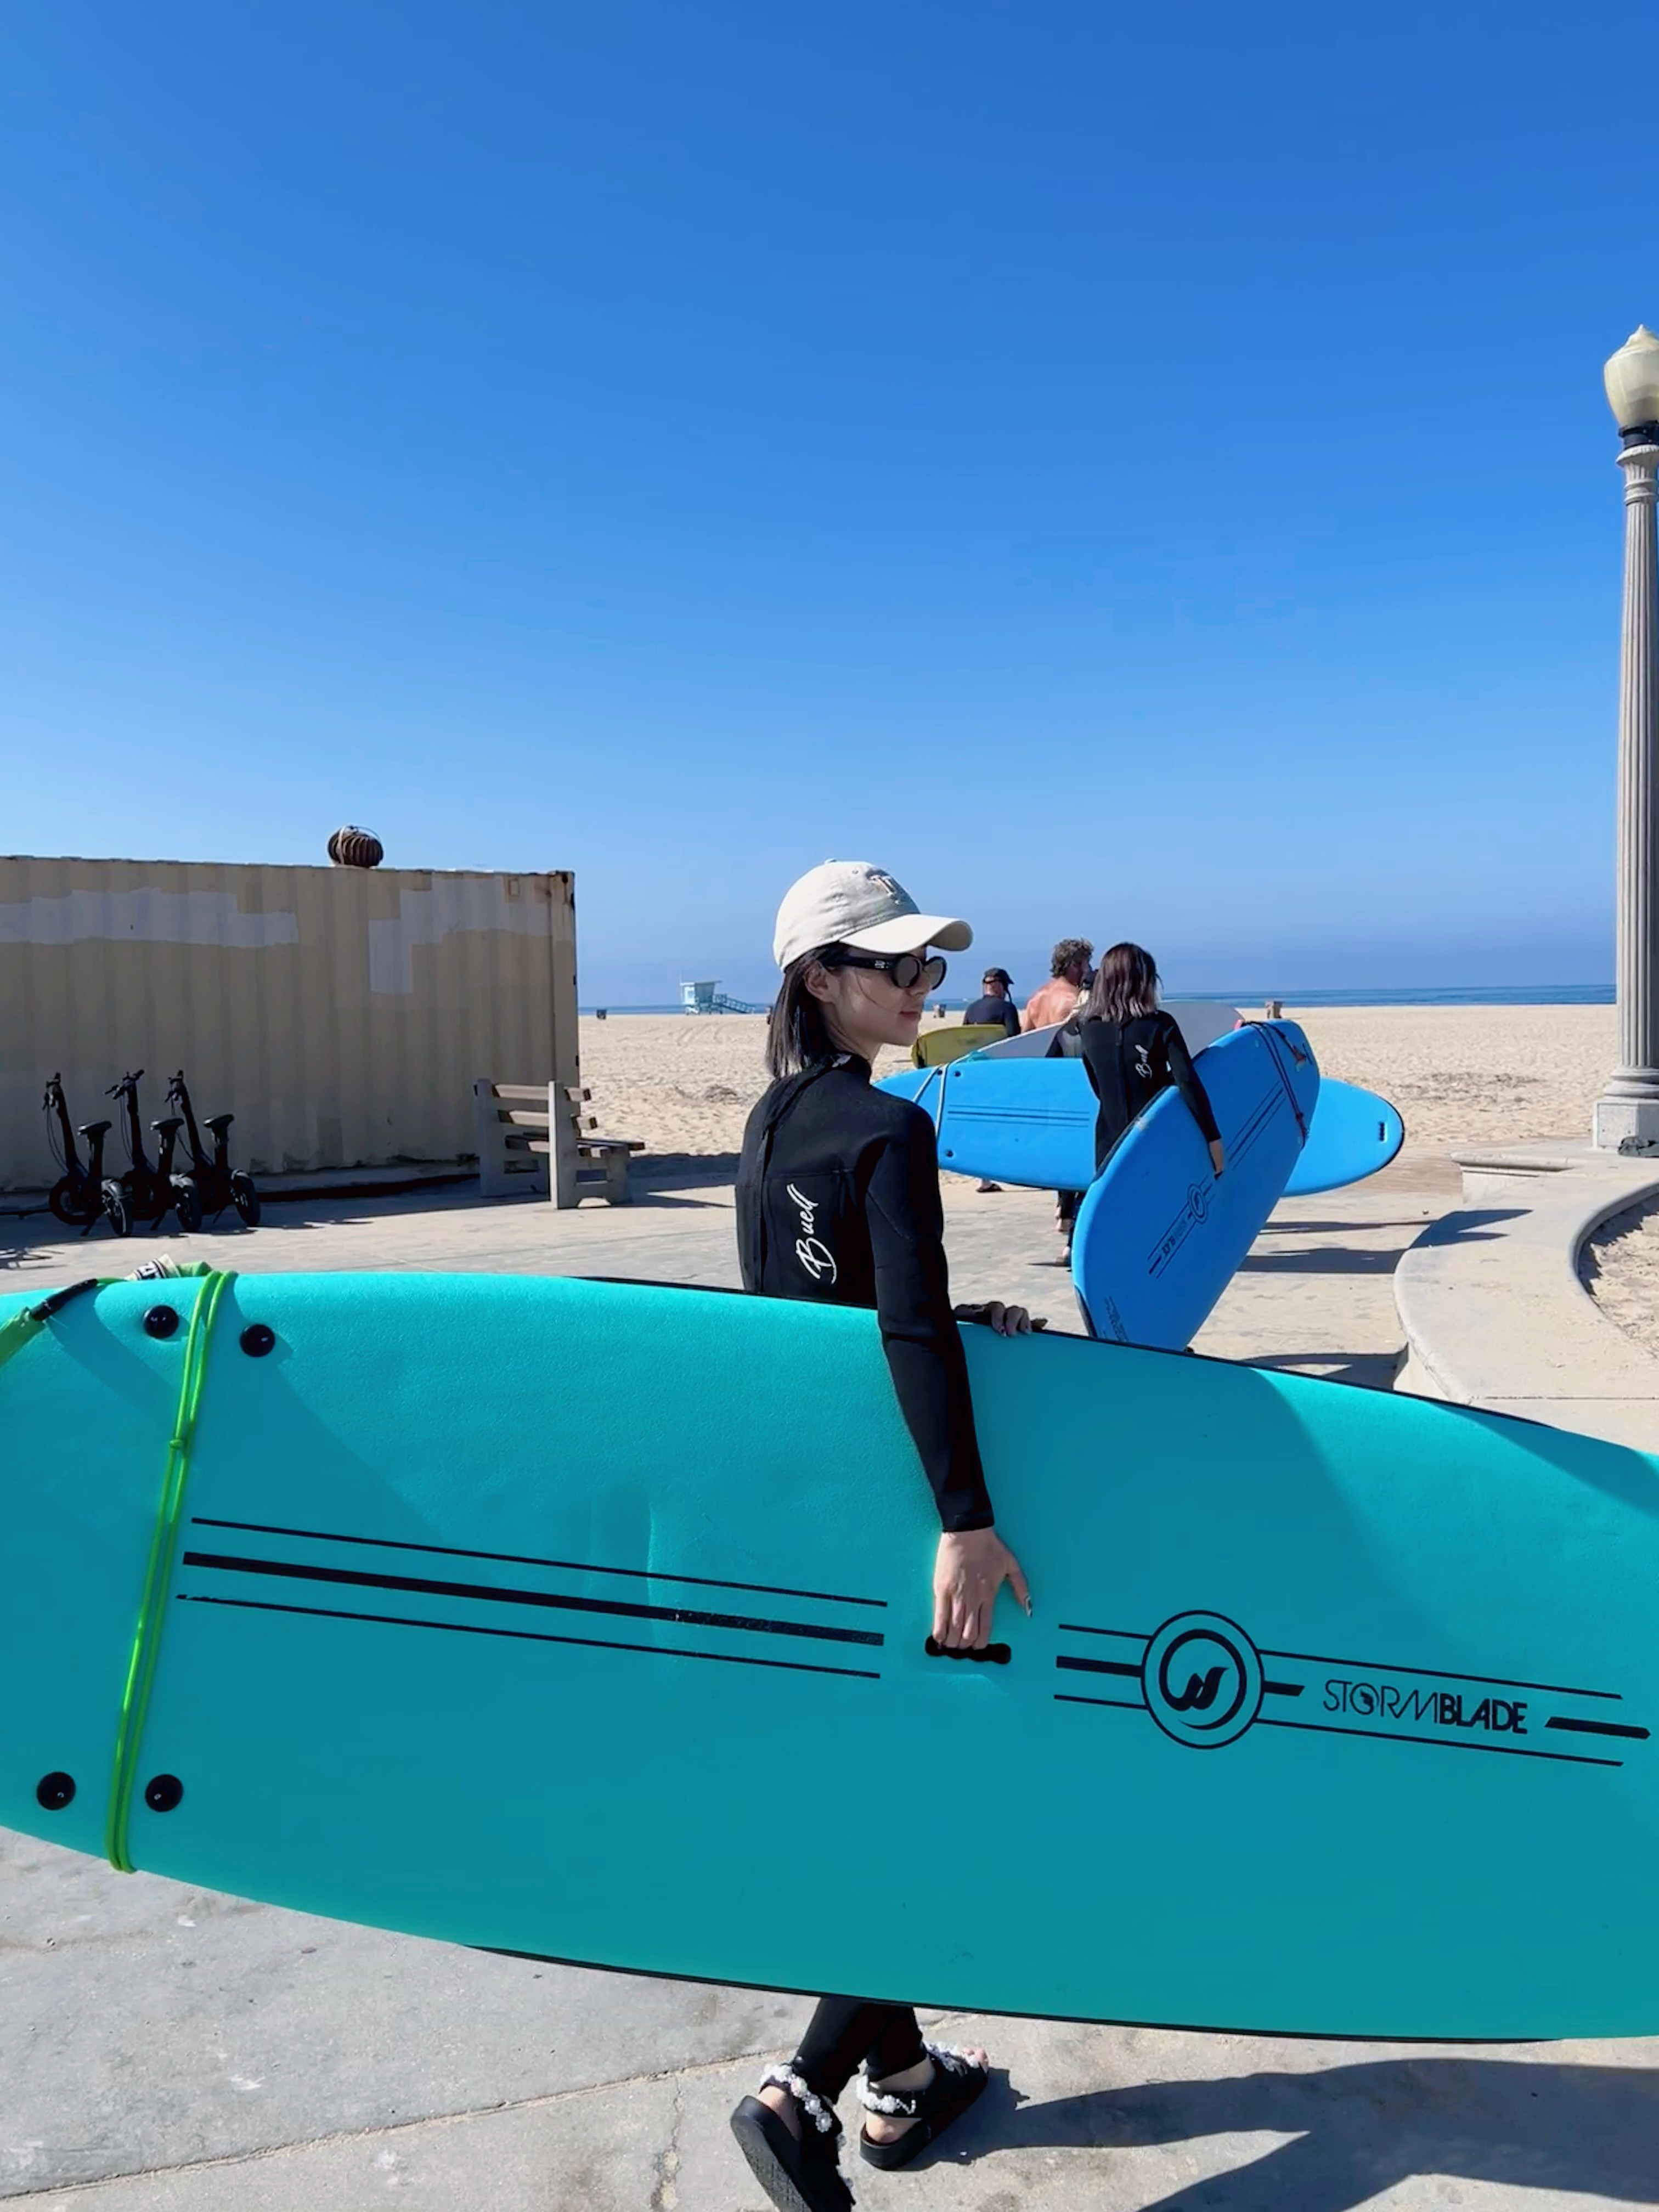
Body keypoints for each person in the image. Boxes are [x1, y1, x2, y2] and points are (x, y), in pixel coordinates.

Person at [728, 859, 1035, 2212]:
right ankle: (798, 2094)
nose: (926, 988)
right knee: (934, 1806)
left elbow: (814, 1321)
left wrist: (970, 1333)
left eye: (928, 968)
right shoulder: (890, 1130)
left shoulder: (774, 1121)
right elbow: (897, 1326)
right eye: (899, 968)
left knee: (880, 1781)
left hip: (805, 1500)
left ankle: (903, 2085)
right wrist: (965, 1518)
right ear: (823, 979)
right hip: (900, 1512)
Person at [1063, 941, 1225, 1182]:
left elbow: (1098, 1086)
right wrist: (1213, 1138)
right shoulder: (1160, 1024)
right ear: (1144, 982)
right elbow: (1187, 1081)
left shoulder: (1086, 1028)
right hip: (1155, 1136)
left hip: (1109, 1143)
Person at [1020, 937, 1092, 1034]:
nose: (1090, 969)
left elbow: (1026, 1039)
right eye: (1087, 964)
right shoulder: (1074, 999)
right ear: (1074, 966)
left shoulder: (1035, 1000)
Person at [961, 967, 1021, 1038]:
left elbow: (964, 1037)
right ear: (1001, 986)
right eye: (1006, 986)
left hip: (976, 1048)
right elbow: (1014, 1038)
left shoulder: (971, 1008)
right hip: (998, 1049)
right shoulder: (1008, 1008)